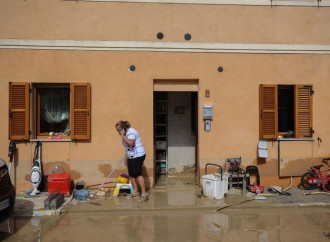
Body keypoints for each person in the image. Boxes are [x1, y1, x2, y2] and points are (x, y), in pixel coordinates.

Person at [115, 120, 148, 202]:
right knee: (132, 175)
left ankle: (144, 194)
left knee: (137, 174)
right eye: (117, 130)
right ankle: (135, 192)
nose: (118, 132)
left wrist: (122, 136)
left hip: (138, 155)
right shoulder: (125, 133)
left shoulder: (131, 132)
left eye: (119, 130)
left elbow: (131, 143)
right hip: (131, 156)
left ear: (124, 128)